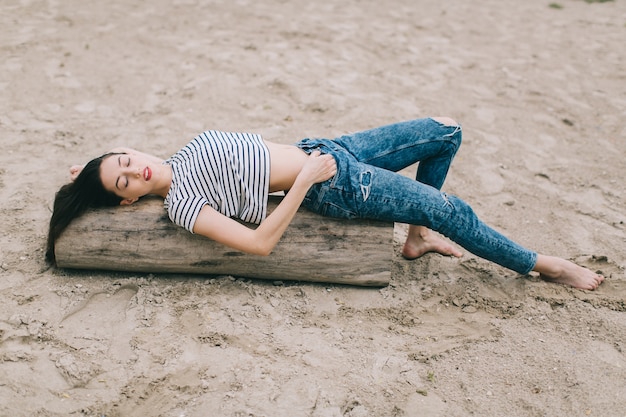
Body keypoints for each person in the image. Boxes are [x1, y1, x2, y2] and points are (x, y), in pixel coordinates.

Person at [46, 117, 604, 290]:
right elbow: (260, 244)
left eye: (123, 160)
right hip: (334, 185)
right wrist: (306, 181)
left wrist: (88, 174)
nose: (133, 170)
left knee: (446, 131)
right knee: (450, 211)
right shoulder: (184, 206)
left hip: (329, 149)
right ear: (130, 201)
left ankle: (414, 238)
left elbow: (112, 168)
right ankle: (541, 264)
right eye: (123, 182)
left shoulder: (179, 152)